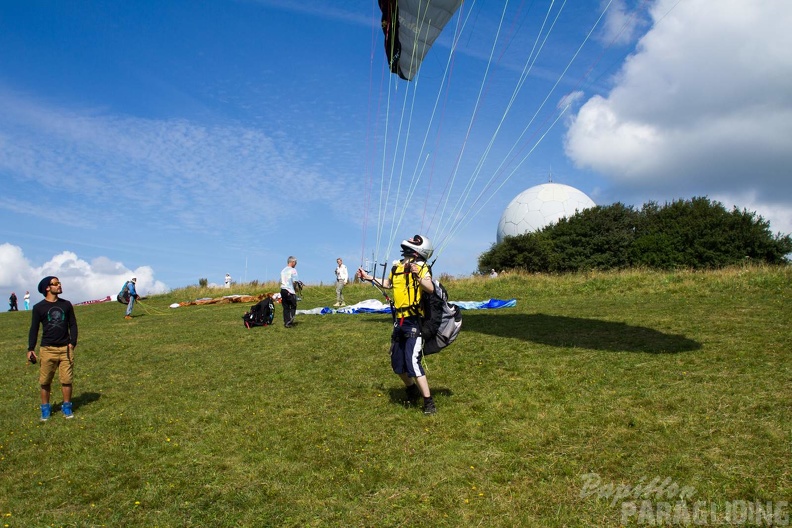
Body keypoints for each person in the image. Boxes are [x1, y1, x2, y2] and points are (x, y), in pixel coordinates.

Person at [357, 234, 437, 415]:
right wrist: (368, 277)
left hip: (413, 320)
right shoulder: (397, 267)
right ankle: (411, 390)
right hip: (399, 321)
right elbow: (387, 284)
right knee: (397, 362)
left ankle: (428, 402)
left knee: (412, 362)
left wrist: (418, 276)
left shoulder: (422, 267)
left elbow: (430, 288)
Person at [27, 276, 78, 421]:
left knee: (67, 379)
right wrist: (30, 348)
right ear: (47, 288)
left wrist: (72, 342)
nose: (59, 285)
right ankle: (45, 409)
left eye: (59, 282)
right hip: (47, 349)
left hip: (65, 349)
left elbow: (73, 325)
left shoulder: (66, 305)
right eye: (56, 283)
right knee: (45, 381)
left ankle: (67, 406)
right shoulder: (39, 308)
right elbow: (34, 329)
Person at [280, 256, 300, 328]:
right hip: (290, 290)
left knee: (286, 307)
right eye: (295, 262)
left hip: (283, 290)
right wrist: (295, 289)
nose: (296, 264)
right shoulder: (293, 270)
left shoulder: (283, 270)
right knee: (293, 305)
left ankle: (286, 322)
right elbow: (295, 281)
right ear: (292, 262)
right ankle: (289, 322)